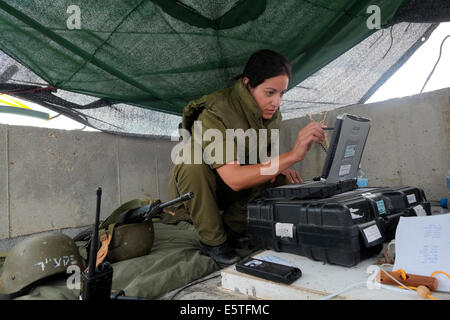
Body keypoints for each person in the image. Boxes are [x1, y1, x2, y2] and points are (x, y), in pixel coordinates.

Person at [168, 50, 325, 266]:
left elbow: (263, 157)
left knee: (281, 179)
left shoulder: (271, 115)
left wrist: (279, 165)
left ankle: (232, 229)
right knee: (191, 158)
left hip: (232, 191)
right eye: (270, 92)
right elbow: (234, 179)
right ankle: (213, 241)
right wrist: (292, 156)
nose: (276, 102)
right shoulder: (216, 111)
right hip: (202, 192)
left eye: (281, 94)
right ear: (248, 83)